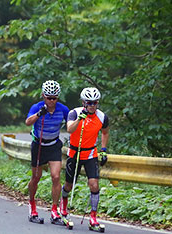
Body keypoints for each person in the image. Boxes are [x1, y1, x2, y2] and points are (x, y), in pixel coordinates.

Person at [59, 87, 109, 229]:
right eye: (89, 103)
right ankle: (63, 208)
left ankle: (93, 218)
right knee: (69, 185)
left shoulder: (102, 117)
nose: (92, 106)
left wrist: (103, 150)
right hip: (75, 153)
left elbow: (105, 133)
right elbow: (69, 129)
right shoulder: (74, 113)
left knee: (94, 185)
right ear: (83, 102)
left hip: (90, 154)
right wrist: (79, 120)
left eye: (95, 103)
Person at [25, 80, 69, 224]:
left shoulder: (62, 109)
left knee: (56, 177)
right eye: (48, 97)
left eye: (54, 98)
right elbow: (28, 122)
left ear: (58, 97)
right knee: (36, 177)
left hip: (54, 145)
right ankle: (32, 206)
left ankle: (54, 211)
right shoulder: (37, 107)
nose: (51, 101)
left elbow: (71, 124)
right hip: (39, 146)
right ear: (43, 95)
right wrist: (39, 114)